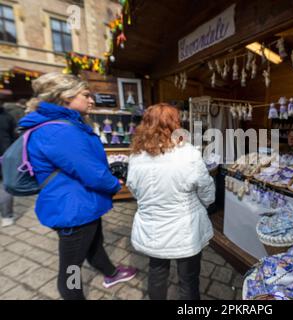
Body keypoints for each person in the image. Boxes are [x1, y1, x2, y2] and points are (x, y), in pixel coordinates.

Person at [18, 72, 136, 300]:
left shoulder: (60, 125)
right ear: (64, 97)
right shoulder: (60, 131)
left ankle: (111, 273)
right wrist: (114, 183)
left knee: (94, 243)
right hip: (74, 210)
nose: (91, 100)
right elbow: (91, 173)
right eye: (86, 95)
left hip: (81, 204)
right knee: (71, 269)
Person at [127, 103, 215, 300]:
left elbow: (134, 189)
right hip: (186, 227)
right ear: (175, 124)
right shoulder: (189, 153)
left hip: (153, 227)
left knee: (157, 273)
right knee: (189, 278)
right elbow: (206, 189)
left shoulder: (136, 156)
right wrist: (205, 204)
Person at [0, 103, 16, 227]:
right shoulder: (7, 116)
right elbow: (14, 136)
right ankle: (7, 216)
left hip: (4, 155)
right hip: (5, 155)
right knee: (5, 187)